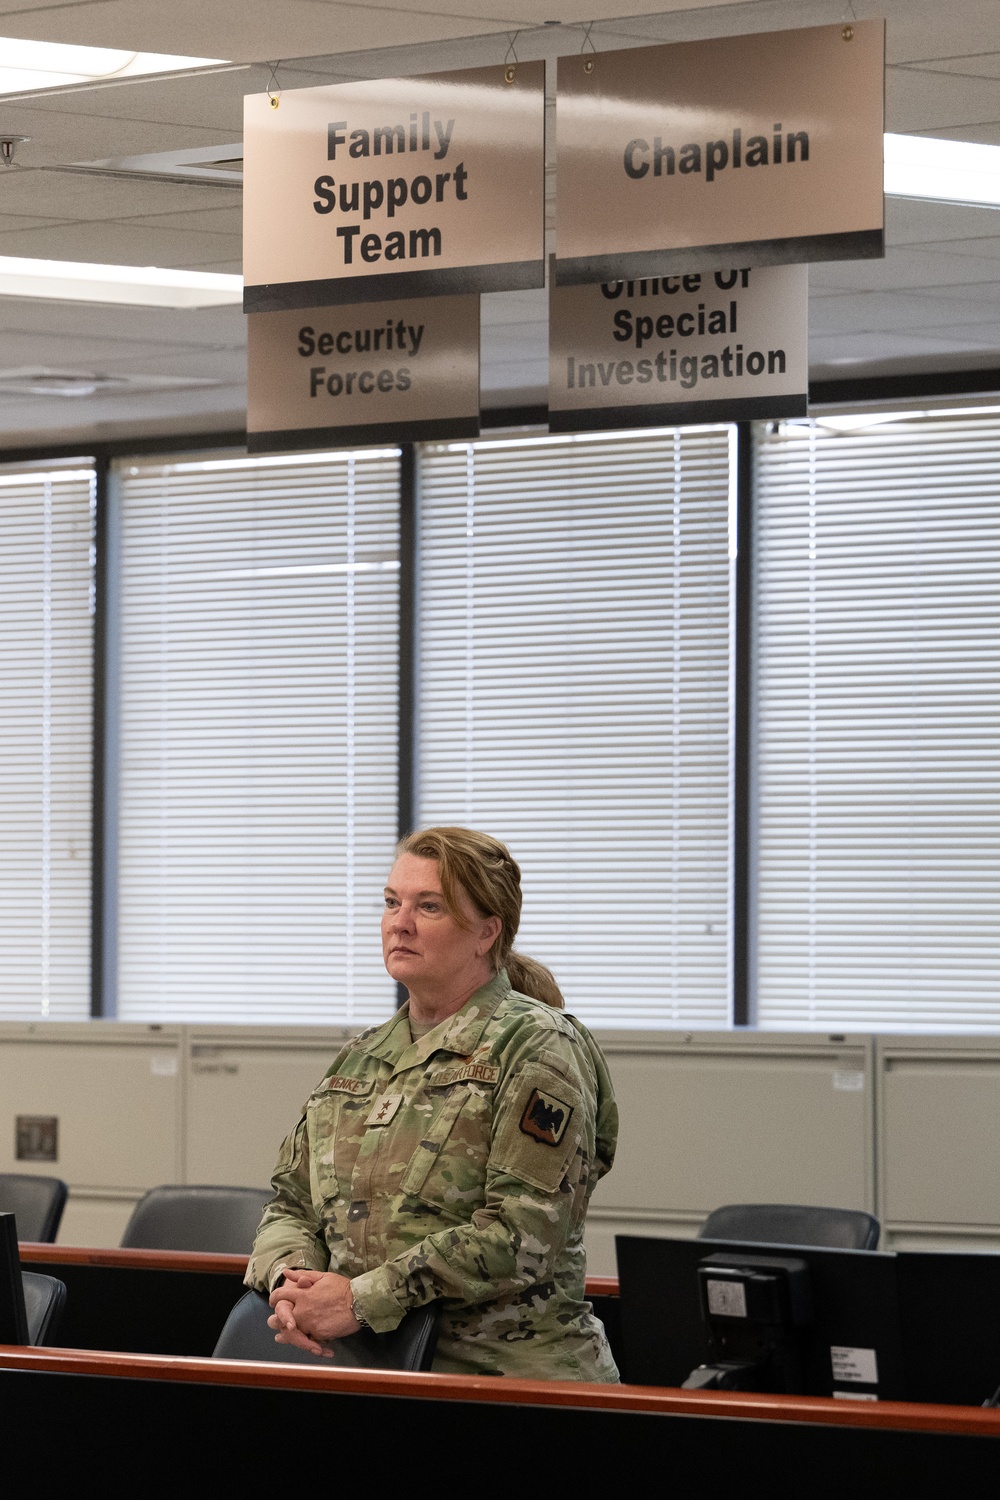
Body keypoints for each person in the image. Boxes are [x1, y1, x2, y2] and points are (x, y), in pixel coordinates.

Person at [245, 825, 620, 1381]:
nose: (400, 922)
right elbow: (290, 1205)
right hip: (372, 1371)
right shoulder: (361, 1058)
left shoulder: (538, 1045)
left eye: (429, 906)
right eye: (392, 902)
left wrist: (360, 1300)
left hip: (504, 1377)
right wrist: (292, 1281)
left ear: (486, 932)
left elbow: (524, 1232)